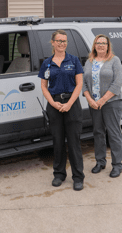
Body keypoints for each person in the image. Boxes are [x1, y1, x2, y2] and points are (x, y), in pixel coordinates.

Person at [38, 30, 85, 191]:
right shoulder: (47, 63)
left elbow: (79, 84)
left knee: (73, 143)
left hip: (72, 104)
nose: (62, 44)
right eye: (59, 41)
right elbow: (44, 86)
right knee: (58, 142)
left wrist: (69, 103)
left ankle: (78, 177)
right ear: (52, 42)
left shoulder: (74, 60)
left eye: (64, 41)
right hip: (54, 105)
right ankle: (59, 174)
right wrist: (53, 102)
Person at [82, 34, 122, 178]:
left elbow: (117, 84)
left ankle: (117, 164)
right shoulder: (89, 62)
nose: (101, 45)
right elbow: (84, 84)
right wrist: (90, 100)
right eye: (98, 43)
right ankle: (100, 162)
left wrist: (101, 101)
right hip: (93, 104)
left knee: (113, 133)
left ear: (108, 46)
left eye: (103, 43)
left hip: (111, 103)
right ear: (94, 45)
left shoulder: (114, 61)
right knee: (98, 133)